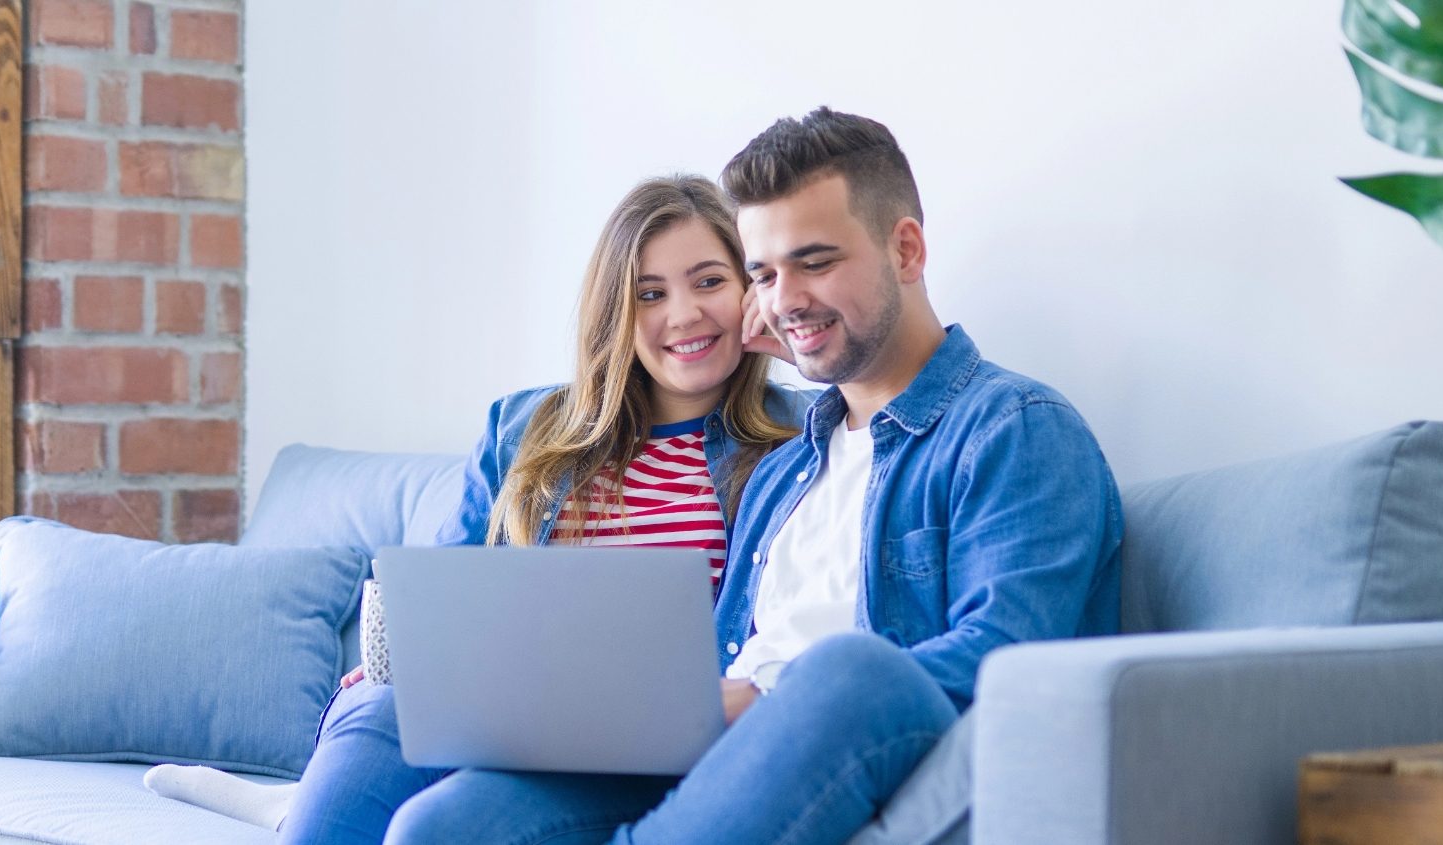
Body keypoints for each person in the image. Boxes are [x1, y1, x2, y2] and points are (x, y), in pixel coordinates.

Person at [379, 108, 1124, 845]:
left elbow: (1008, 655)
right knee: (437, 825)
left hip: (848, 729)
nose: (785, 297)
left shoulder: (1011, 426)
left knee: (851, 671)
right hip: (715, 756)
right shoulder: (785, 465)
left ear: (906, 250)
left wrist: (767, 695)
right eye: (763, 273)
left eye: (816, 261)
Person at [142, 174, 809, 837]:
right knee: (377, 707)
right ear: (617, 310)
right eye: (650, 293)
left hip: (662, 739)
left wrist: (800, 351)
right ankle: (308, 805)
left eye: (710, 281)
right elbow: (451, 585)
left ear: (753, 288)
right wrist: (412, 656)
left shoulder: (805, 437)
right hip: (514, 714)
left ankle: (301, 804)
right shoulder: (529, 427)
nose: (684, 313)